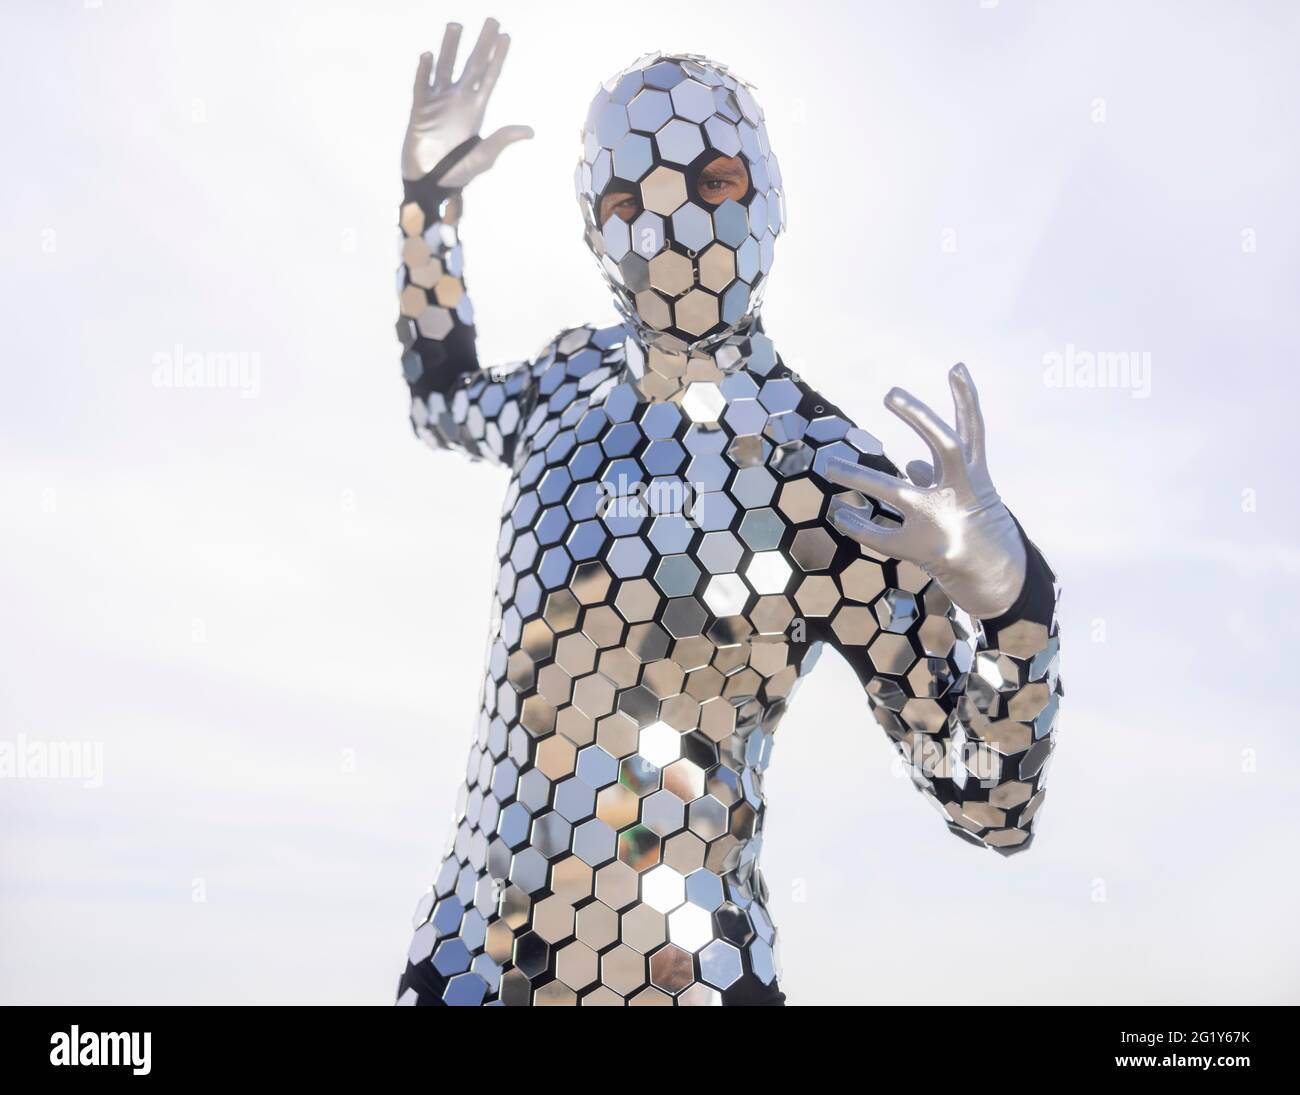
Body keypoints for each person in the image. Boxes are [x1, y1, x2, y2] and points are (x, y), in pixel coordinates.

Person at [393, 18, 1061, 1007]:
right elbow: (440, 396)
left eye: (709, 181)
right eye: (629, 197)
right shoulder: (561, 384)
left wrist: (1013, 606)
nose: (669, 228)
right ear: (592, 227)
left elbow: (990, 803)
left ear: (769, 197)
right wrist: (428, 205)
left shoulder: (829, 477)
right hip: (466, 969)